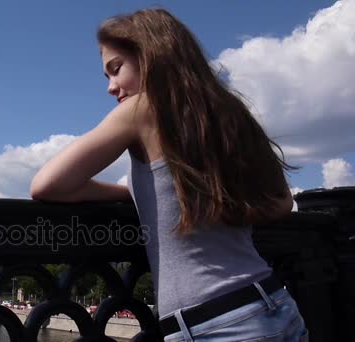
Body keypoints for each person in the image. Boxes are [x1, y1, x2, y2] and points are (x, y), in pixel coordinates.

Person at [30, 8, 308, 342]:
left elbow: (47, 185)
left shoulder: (141, 109)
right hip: (276, 304)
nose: (110, 87)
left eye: (115, 70)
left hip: (216, 324)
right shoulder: (229, 112)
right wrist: (234, 209)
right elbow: (283, 200)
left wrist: (126, 193)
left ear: (149, 56)